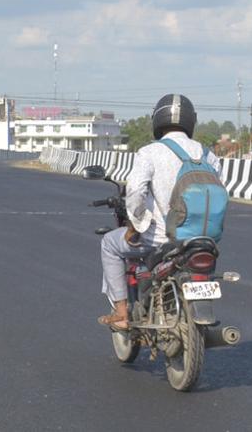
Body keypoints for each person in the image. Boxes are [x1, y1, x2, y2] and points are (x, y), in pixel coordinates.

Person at [97, 94, 222, 330]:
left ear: (158, 120)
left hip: (160, 239)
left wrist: (138, 226)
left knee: (109, 244)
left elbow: (134, 192)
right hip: (203, 241)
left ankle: (121, 312)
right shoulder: (208, 155)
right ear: (190, 121)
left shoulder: (150, 153)